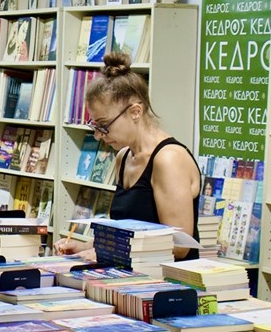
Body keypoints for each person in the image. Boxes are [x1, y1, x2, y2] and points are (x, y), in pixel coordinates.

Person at [56, 52, 202, 261]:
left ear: (135, 112)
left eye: (104, 125)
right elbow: (127, 234)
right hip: (126, 277)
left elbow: (179, 247)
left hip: (166, 282)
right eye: (95, 126)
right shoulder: (123, 156)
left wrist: (104, 252)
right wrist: (83, 247)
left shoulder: (168, 159)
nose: (98, 135)